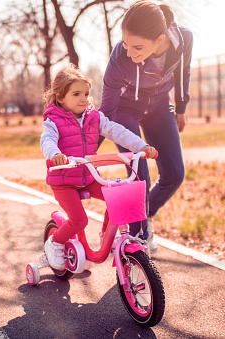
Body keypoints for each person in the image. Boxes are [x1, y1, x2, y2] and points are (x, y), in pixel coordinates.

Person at [40, 65, 157, 270]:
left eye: (86, 93)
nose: (84, 98)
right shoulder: (53, 121)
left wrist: (141, 146)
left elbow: (116, 131)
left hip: (88, 176)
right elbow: (47, 140)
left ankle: (107, 236)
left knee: (118, 200)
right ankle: (55, 242)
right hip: (64, 181)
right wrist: (55, 154)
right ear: (60, 98)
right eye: (76, 94)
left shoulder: (94, 117)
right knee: (79, 221)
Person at [99, 1, 193, 253]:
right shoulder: (120, 57)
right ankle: (137, 239)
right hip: (125, 110)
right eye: (127, 44)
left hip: (160, 107)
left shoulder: (183, 39)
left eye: (137, 47)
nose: (129, 52)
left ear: (160, 39)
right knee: (139, 169)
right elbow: (106, 110)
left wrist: (181, 108)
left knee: (174, 174)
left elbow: (183, 73)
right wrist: (86, 144)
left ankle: (145, 215)